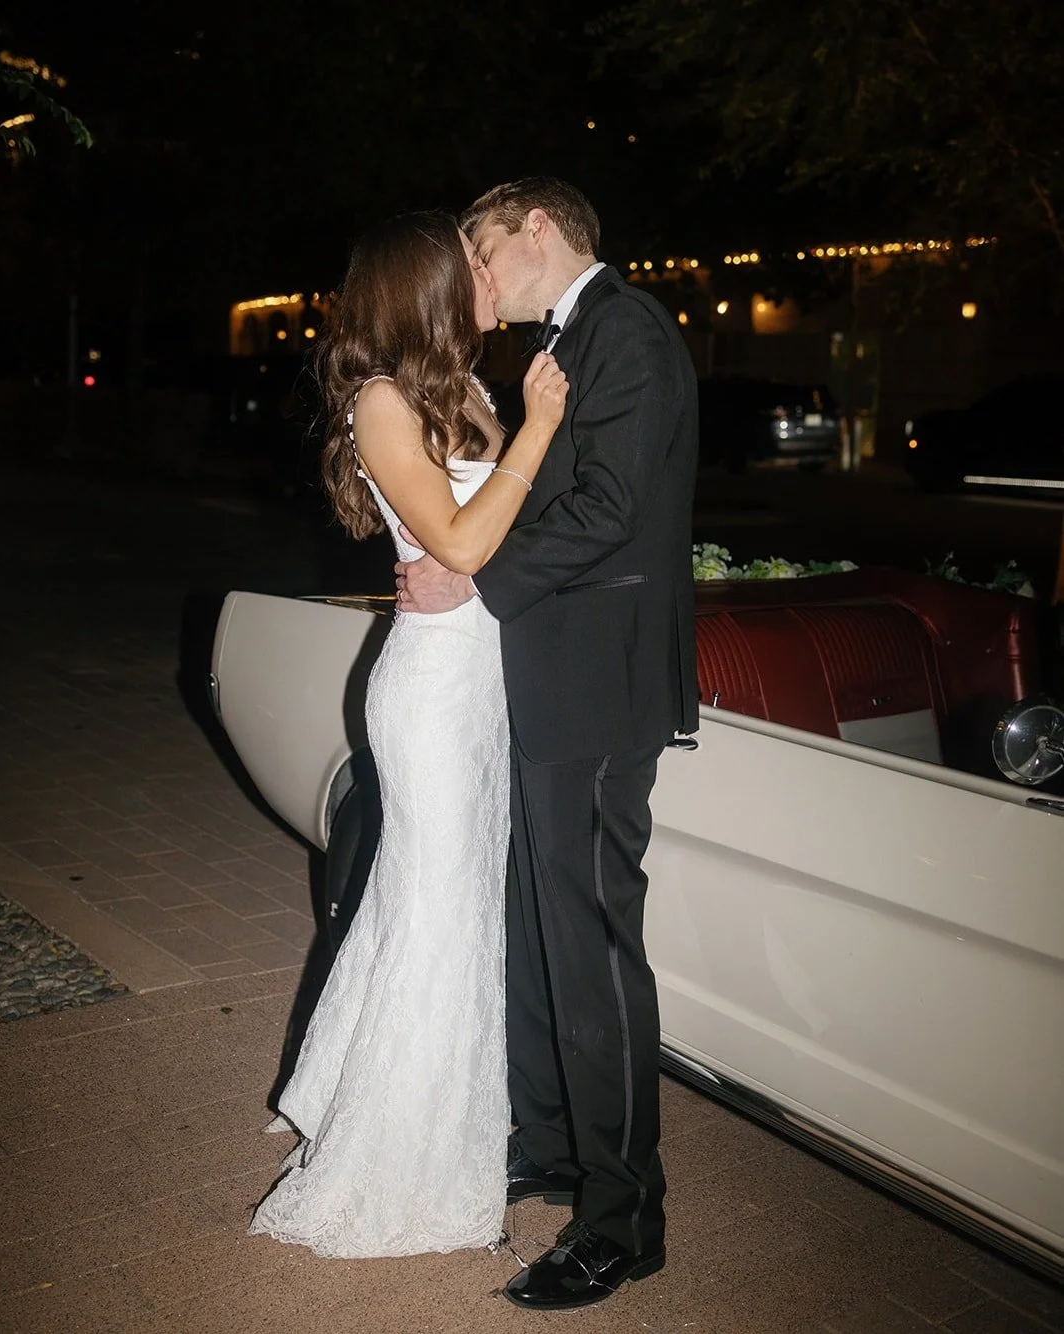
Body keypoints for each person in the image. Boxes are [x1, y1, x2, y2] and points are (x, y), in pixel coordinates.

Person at [396, 178, 699, 1311]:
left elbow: (611, 506)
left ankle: (624, 1219)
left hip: (599, 681)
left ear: (536, 229)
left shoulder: (627, 330)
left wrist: (471, 582)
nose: (476, 282)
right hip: (546, 673)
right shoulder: (571, 341)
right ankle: (556, 1142)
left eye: (480, 255)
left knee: (589, 946)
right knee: (537, 923)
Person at [249, 211, 568, 1258]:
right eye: (469, 266)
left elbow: (501, 538)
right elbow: (467, 532)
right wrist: (535, 428)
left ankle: (344, 1089)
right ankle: (397, 1155)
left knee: (425, 905)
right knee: (438, 918)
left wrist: (510, 459)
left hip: (484, 680)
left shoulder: (462, 391)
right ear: (424, 287)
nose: (487, 278)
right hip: (429, 692)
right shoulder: (382, 401)